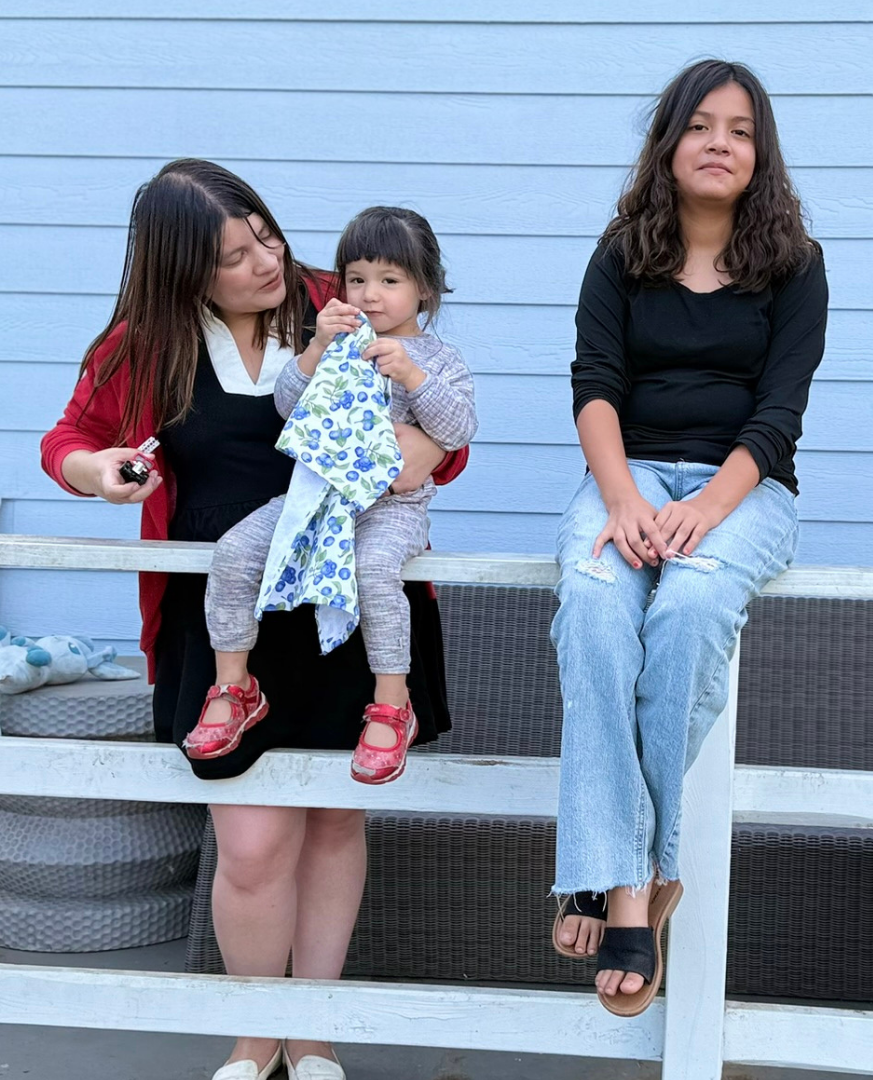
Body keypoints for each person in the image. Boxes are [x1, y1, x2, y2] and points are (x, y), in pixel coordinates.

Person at [40, 160, 462, 1080]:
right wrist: (98, 472)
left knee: (332, 825)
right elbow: (70, 441)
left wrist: (417, 451)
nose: (265, 263)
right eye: (233, 257)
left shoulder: (340, 301)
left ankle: (311, 1036)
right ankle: (254, 1036)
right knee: (253, 838)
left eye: (265, 237)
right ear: (181, 270)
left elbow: (441, 416)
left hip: (341, 602)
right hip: (221, 618)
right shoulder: (143, 343)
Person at [548, 59, 828, 1017]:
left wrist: (706, 507)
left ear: (762, 153)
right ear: (668, 143)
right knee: (594, 606)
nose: (720, 143)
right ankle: (640, 880)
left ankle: (619, 874)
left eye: (741, 130)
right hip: (624, 476)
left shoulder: (796, 263)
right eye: (701, 125)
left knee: (692, 609)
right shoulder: (620, 254)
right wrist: (623, 498)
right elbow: (594, 385)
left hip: (743, 489)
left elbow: (780, 412)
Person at [192, 206, 477, 785]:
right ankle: (234, 686)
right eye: (356, 279)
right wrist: (316, 348)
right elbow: (287, 406)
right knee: (234, 552)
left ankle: (392, 703)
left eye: (390, 280)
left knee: (374, 569)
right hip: (315, 499)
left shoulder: (438, 358)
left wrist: (412, 376)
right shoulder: (339, 341)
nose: (370, 295)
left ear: (424, 288)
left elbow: (458, 428)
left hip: (392, 509)